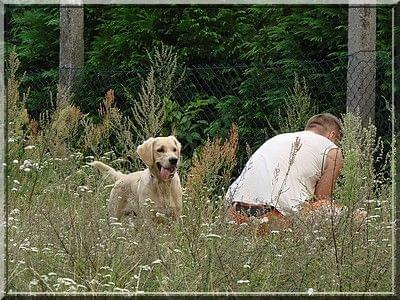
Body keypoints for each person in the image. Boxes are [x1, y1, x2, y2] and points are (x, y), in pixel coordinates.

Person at [225, 113, 344, 229]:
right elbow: (321, 200)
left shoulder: (279, 138)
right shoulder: (332, 150)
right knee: (354, 216)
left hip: (233, 211)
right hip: (274, 218)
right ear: (332, 135)